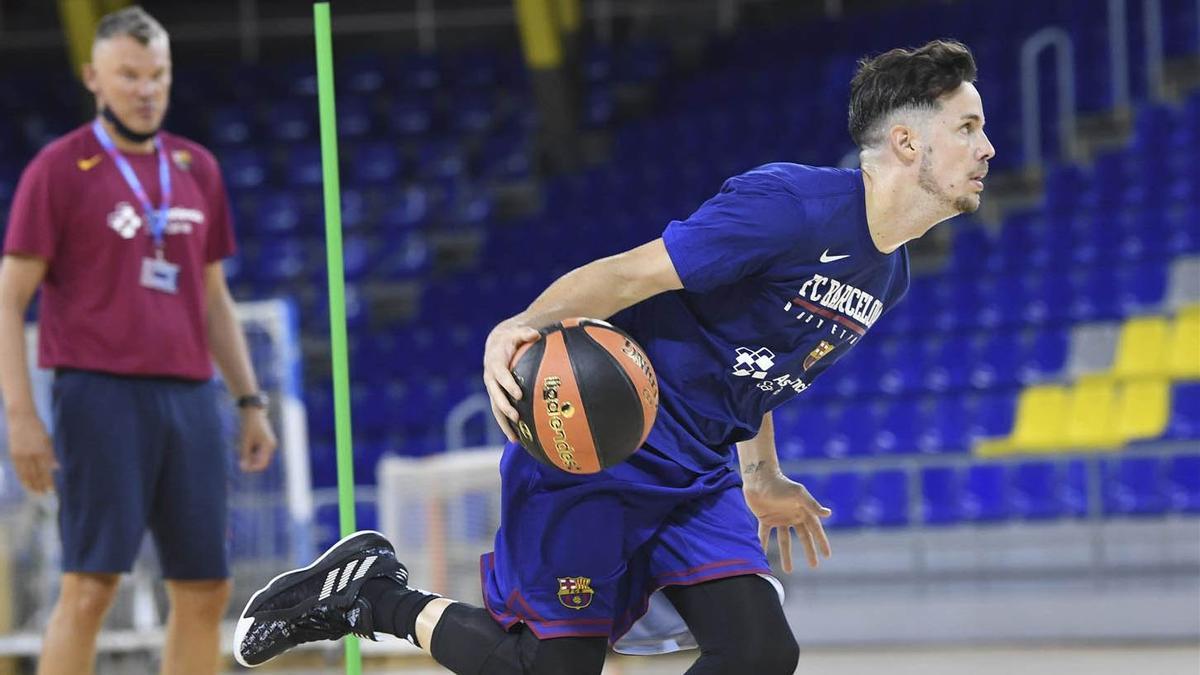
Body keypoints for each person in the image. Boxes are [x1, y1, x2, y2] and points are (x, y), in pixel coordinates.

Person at [234, 38, 994, 673]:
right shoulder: (789, 207)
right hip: (600, 445)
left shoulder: (887, 274)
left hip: (696, 470)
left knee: (760, 651)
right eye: (967, 126)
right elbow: (629, 274)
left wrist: (761, 474)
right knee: (553, 669)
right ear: (905, 140)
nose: (987, 147)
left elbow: (757, 373)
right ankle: (373, 595)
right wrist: (525, 323)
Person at [0, 7, 278, 675]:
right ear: (94, 77)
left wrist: (248, 399)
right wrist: (21, 416)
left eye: (158, 74)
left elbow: (215, 299)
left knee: (206, 588)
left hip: (190, 397)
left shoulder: (197, 168)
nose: (146, 88)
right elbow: (8, 296)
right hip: (98, 394)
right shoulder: (59, 168)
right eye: (129, 74)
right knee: (91, 585)